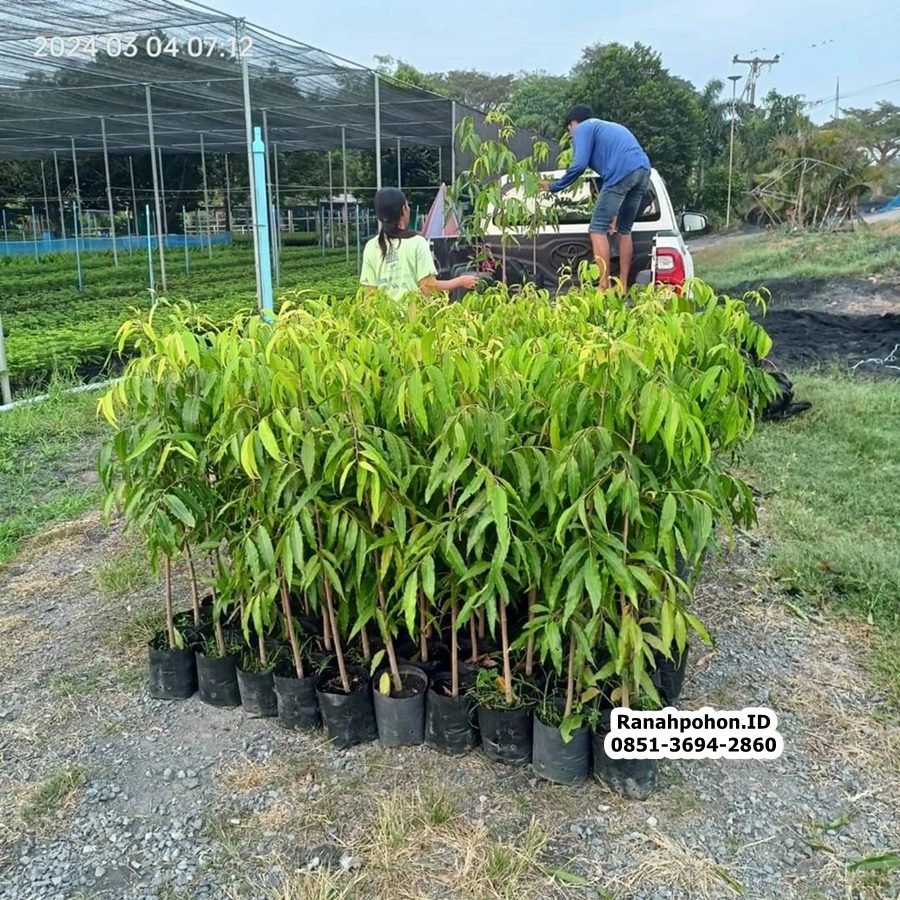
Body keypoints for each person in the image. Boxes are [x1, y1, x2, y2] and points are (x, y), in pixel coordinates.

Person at [540, 105, 651, 292]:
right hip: (643, 171)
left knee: (597, 228)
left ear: (573, 123)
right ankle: (623, 285)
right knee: (624, 229)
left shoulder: (582, 128)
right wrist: (615, 211)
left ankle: (604, 284)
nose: (570, 132)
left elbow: (579, 164)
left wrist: (553, 187)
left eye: (569, 128)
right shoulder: (608, 128)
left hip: (621, 173)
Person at [360, 187, 479, 301]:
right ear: (403, 210)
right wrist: (461, 281)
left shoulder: (371, 246)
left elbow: (370, 296)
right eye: (407, 205)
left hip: (384, 320)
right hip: (415, 319)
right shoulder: (417, 242)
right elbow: (428, 288)